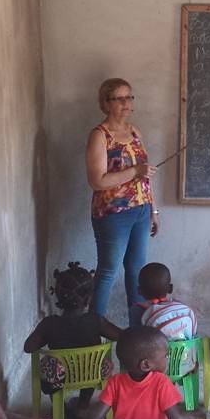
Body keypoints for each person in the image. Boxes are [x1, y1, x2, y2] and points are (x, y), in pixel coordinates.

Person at [86, 78, 160, 327]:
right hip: (113, 213)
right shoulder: (100, 136)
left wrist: (154, 210)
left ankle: (137, 333)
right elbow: (97, 181)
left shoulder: (135, 132)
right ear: (106, 103)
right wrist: (134, 171)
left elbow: (146, 175)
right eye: (120, 98)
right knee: (108, 271)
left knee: (137, 272)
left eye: (129, 97)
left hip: (141, 209)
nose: (126, 103)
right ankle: (92, 331)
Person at [88, 326, 204, 419]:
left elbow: (94, 418)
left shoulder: (115, 382)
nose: (167, 359)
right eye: (165, 356)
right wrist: (198, 415)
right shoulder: (161, 382)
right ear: (146, 364)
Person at [24, 262, 122, 418]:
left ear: (57, 295)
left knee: (50, 365)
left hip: (61, 375)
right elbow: (121, 336)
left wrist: (44, 335)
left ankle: (59, 407)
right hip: (93, 373)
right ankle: (83, 405)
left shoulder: (49, 323)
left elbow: (28, 347)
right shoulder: (96, 320)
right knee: (95, 361)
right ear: (88, 298)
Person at [129, 262, 199, 377]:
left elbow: (135, 341)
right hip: (185, 365)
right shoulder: (181, 308)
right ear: (170, 288)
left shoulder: (136, 310)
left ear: (139, 291)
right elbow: (194, 337)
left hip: (156, 368)